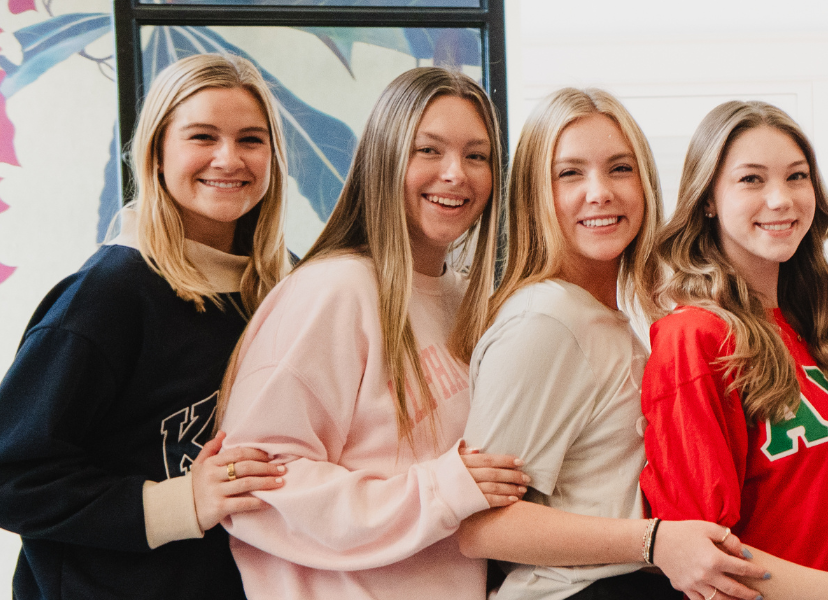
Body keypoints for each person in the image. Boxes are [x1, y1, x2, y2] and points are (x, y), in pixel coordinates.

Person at [215, 67, 529, 600]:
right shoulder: (334, 289)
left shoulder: (467, 298)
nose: (456, 174)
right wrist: (444, 489)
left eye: (477, 156)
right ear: (384, 159)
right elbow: (262, 491)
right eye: (428, 150)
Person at [455, 87, 766, 600]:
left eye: (620, 169)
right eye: (570, 173)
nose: (599, 192)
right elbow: (483, 529)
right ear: (536, 194)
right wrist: (655, 540)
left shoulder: (606, 316)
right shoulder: (546, 320)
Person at [0, 53, 290, 600]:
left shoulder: (278, 287)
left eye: (251, 140)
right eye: (202, 137)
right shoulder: (106, 295)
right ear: (156, 153)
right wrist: (183, 503)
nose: (229, 159)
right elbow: (13, 478)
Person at [639, 100, 828, 591]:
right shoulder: (695, 339)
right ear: (708, 198)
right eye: (752, 180)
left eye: (796, 177)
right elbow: (706, 558)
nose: (781, 199)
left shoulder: (819, 333)